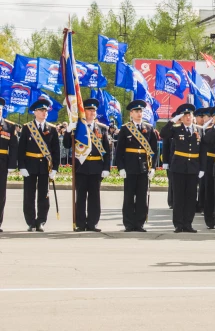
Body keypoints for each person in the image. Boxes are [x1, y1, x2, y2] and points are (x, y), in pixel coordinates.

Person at [63, 98, 110, 232]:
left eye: (94, 110)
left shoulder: (102, 129)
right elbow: (67, 145)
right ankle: (80, 223)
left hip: (96, 167)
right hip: (81, 167)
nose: (93, 112)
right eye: (90, 110)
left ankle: (92, 223)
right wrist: (68, 131)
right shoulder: (78, 127)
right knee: (81, 196)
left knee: (95, 197)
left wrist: (106, 167)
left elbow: (107, 151)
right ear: (84, 111)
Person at [160, 104, 207, 233]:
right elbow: (163, 134)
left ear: (193, 117)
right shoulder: (176, 129)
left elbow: (203, 151)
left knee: (191, 197)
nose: (188, 117)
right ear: (181, 117)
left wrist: (202, 168)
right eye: (185, 115)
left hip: (193, 167)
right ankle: (178, 224)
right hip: (178, 167)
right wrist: (173, 120)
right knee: (179, 197)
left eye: (190, 115)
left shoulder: (199, 130)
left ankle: (188, 224)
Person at [115, 99, 159, 232]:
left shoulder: (149, 129)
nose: (139, 114)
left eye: (141, 111)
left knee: (141, 196)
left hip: (143, 167)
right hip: (130, 167)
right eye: (137, 111)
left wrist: (152, 168)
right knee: (129, 196)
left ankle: (139, 223)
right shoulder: (125, 129)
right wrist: (121, 167)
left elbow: (154, 150)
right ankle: (128, 223)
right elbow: (119, 151)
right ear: (131, 113)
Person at [18, 99, 60, 232]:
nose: (44, 113)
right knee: (29, 195)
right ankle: (30, 222)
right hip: (30, 165)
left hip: (44, 167)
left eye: (46, 111)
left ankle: (41, 221)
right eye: (41, 111)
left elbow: (55, 151)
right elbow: (21, 149)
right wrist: (22, 166)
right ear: (35, 112)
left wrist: (55, 168)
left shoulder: (52, 129)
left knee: (44, 195)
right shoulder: (27, 128)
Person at [0, 98, 17, 232]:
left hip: (2, 163)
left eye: (0, 109)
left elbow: (14, 147)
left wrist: (12, 164)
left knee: (1, 194)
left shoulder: (9, 127)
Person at [193, 107, 210, 213]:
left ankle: (202, 204)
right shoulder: (200, 129)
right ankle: (200, 204)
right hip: (199, 160)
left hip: (210, 160)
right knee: (201, 184)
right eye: (202, 116)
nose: (203, 119)